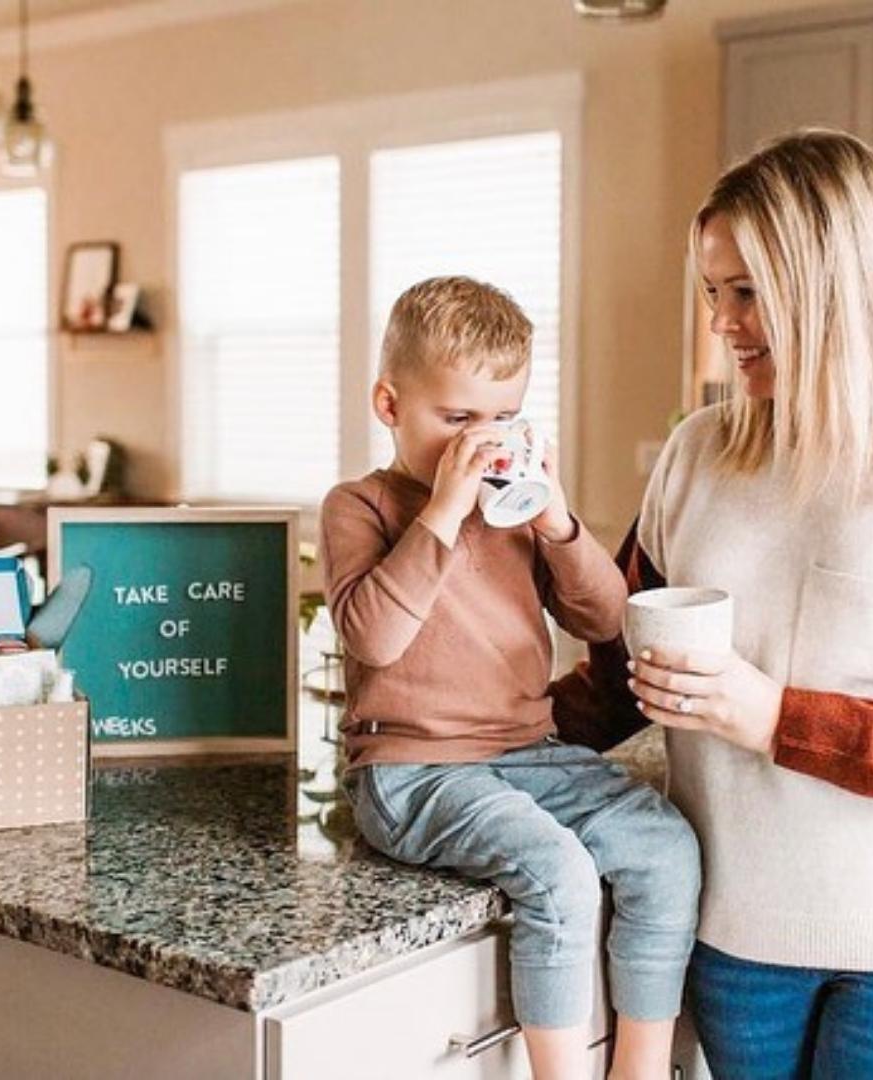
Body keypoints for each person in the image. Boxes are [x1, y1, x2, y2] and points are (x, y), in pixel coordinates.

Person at [552, 129, 873, 1079]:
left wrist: (777, 718)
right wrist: (463, 743)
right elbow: (618, 678)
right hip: (736, 938)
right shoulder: (697, 454)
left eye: (748, 294)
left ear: (837, 289)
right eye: (712, 292)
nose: (723, 324)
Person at [321, 276, 701, 1080]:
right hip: (410, 770)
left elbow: (607, 622)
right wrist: (442, 515)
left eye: (501, 420)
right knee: (556, 872)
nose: (479, 442)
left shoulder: (518, 516)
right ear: (389, 404)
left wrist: (557, 524)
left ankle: (639, 1068)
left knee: (665, 847)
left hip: (525, 752)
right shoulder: (362, 507)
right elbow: (376, 637)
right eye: (455, 419)